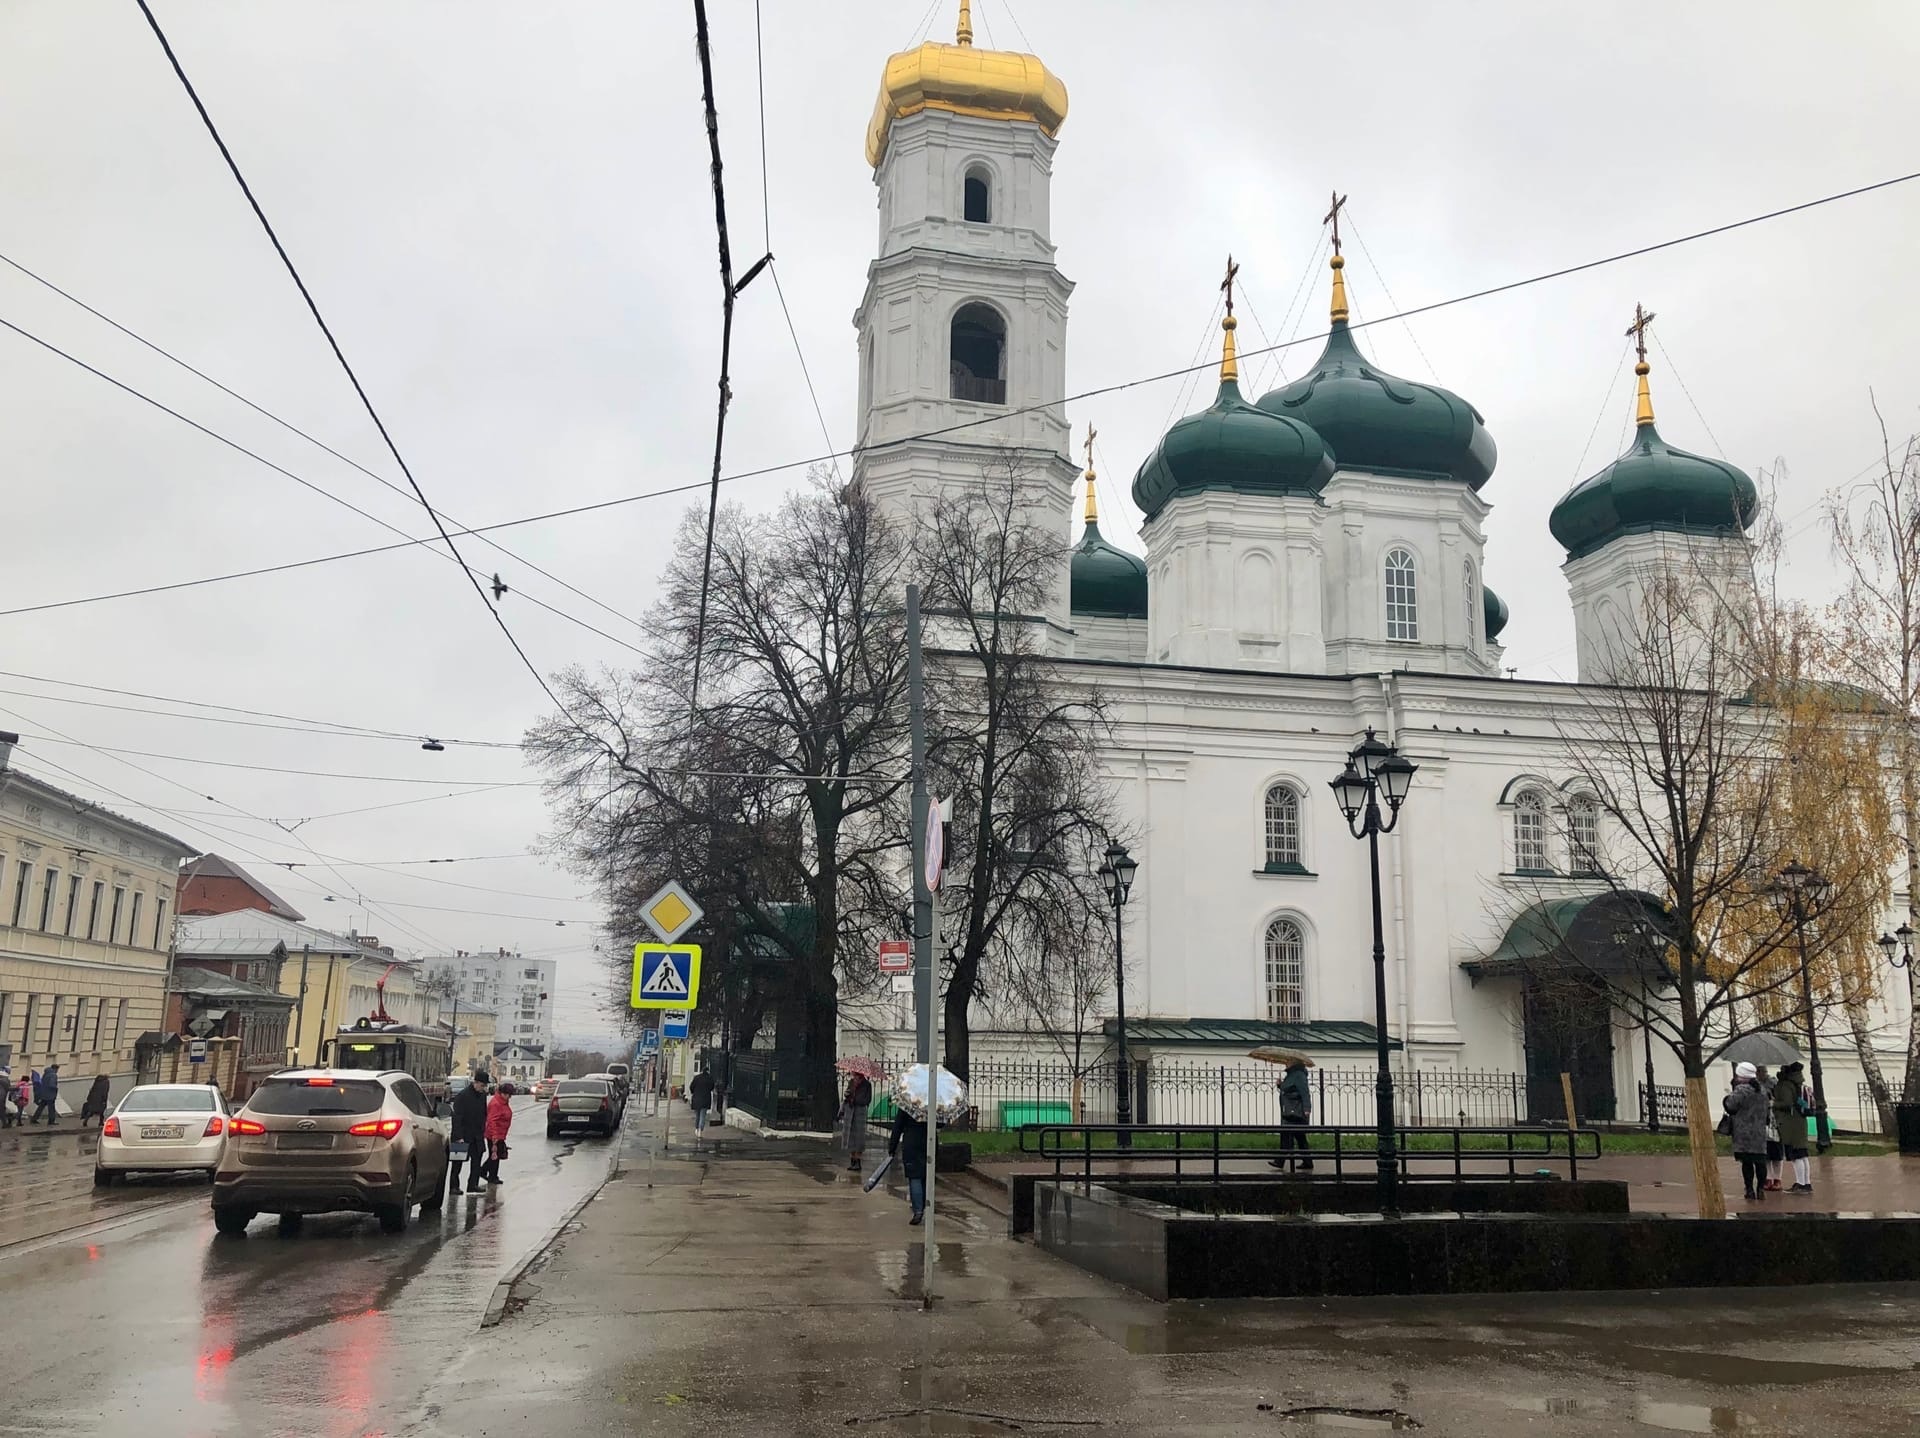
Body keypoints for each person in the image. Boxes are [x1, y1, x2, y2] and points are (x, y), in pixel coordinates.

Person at [1723, 1061, 1770, 1201]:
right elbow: (1767, 1111)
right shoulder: (1762, 1090)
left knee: (1747, 1163)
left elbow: (1730, 1106)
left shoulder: (1741, 1090)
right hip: (1759, 1132)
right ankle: (1761, 1188)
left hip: (1743, 1132)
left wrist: (1726, 1098)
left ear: (1741, 1076)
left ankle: (1749, 1189)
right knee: (1760, 1162)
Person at [1773, 1060, 1813, 1193]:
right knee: (1802, 1154)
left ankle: (1800, 1184)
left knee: (1795, 1155)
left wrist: (1773, 1103)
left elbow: (1786, 1102)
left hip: (1790, 1124)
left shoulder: (1786, 1084)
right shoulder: (1798, 1083)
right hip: (1800, 1121)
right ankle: (1806, 1183)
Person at [449, 1070, 491, 1193]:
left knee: (477, 1160)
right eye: (482, 1085)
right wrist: (459, 1136)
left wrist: (482, 1130)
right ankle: (454, 1186)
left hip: (477, 1135)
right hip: (462, 1135)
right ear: (475, 1083)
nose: (483, 1088)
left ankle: (473, 1184)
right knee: (457, 1162)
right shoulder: (462, 1096)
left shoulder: (482, 1096)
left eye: (485, 1086)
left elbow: (483, 1114)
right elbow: (457, 1118)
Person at [1269, 1059, 1314, 1173]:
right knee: (1300, 1137)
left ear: (1294, 1063)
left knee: (1287, 1135)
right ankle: (1307, 1162)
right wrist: (1280, 1085)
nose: (1285, 1063)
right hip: (1290, 1110)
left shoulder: (1298, 1075)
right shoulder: (1291, 1075)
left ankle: (1280, 1161)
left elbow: (1304, 1092)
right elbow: (1289, 1090)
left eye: (1288, 1061)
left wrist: (1307, 1108)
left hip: (1295, 1112)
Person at [888, 1103, 929, 1225]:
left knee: (914, 1176)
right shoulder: (932, 1103)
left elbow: (898, 1126)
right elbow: (941, 1124)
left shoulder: (907, 1103)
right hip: (928, 1141)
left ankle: (918, 1210)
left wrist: (892, 1146)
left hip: (911, 1142)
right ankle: (923, 1205)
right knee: (926, 1175)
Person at [838, 1072, 873, 1172]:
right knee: (850, 1136)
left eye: (856, 1075)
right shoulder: (851, 1082)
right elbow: (847, 1093)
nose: (854, 1076)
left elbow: (867, 1100)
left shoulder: (867, 1085)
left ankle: (858, 1161)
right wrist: (848, 1095)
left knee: (859, 1136)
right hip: (850, 1110)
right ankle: (852, 1160)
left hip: (859, 1112)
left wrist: (857, 1100)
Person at [481, 1081, 515, 1185]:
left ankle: (490, 1174)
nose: (508, 1097)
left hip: (500, 1133)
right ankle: (488, 1174)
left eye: (509, 1095)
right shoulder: (496, 1103)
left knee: (496, 1154)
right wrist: (495, 1135)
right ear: (501, 1093)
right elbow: (492, 1121)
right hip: (494, 1134)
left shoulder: (502, 1102)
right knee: (495, 1155)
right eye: (506, 1094)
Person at [688, 1065, 716, 1142]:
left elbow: (691, 1087)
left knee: (697, 1115)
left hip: (696, 1099)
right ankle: (700, 1129)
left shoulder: (697, 1078)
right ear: (708, 1071)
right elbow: (712, 1087)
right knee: (703, 1115)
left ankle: (697, 1129)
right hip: (705, 1099)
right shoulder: (710, 1078)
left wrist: (694, 1093)